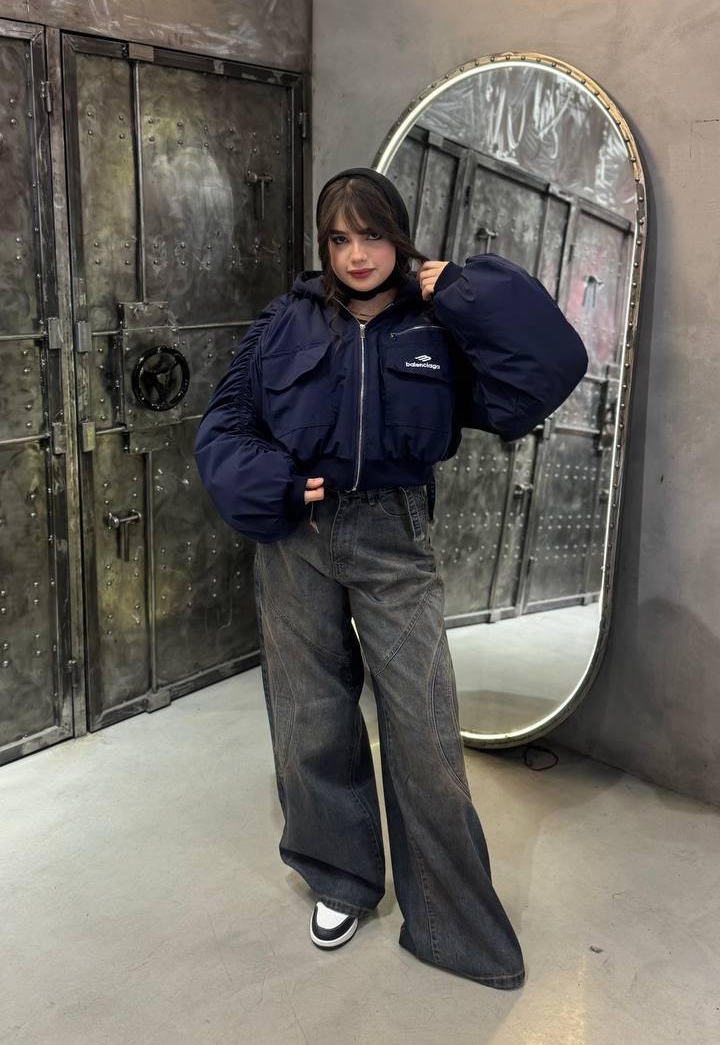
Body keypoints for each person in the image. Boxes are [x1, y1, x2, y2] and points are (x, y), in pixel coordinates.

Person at [193, 167, 588, 989]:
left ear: (399, 238)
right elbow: (227, 420)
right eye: (340, 238)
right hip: (299, 535)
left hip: (394, 535)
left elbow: (544, 374)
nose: (357, 254)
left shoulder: (437, 322)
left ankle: (449, 919)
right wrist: (270, 484)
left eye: (373, 236)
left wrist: (471, 292)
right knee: (309, 713)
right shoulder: (286, 321)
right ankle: (339, 876)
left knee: (424, 724)